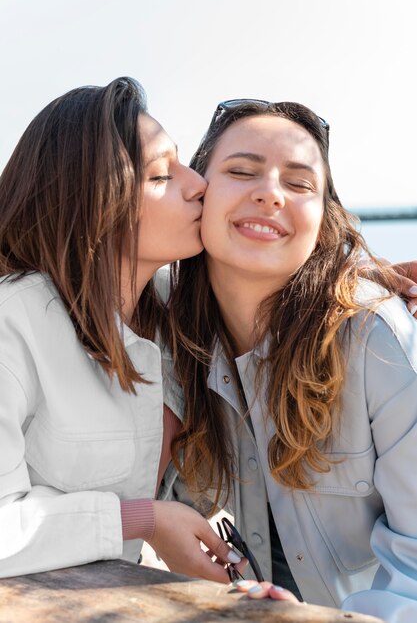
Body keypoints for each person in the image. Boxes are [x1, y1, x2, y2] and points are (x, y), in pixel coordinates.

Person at [168, 99, 417, 622]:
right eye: (241, 171)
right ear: (197, 194)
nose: (269, 192)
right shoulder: (167, 329)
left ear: (323, 221)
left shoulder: (377, 338)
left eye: (300, 184)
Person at [0, 77, 244, 581]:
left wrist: (359, 279)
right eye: (160, 176)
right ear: (95, 205)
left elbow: (262, 275)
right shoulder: (13, 322)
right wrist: (142, 520)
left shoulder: (166, 312)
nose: (197, 182)